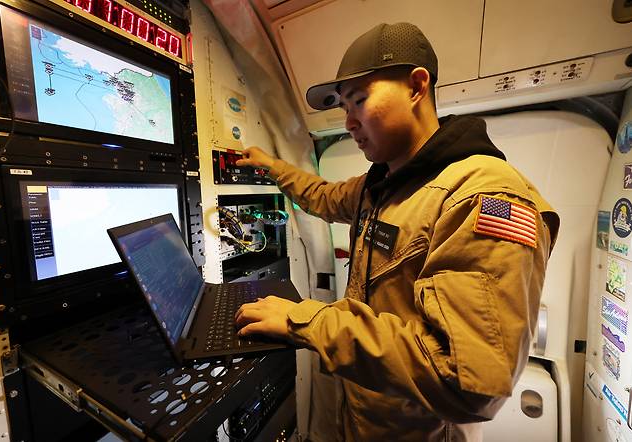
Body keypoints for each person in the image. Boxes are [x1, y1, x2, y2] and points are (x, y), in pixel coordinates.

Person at [235, 22, 559, 441]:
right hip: (365, 418)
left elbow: (466, 382)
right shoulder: (383, 183)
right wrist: (271, 166)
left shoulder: (481, 195)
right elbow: (321, 195)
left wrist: (307, 321)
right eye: (343, 108)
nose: (349, 121)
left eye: (359, 100)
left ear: (416, 87)